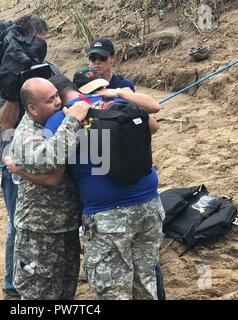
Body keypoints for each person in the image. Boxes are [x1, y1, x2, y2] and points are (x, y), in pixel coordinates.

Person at [45, 73, 164, 299]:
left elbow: (50, 165)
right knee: (145, 282)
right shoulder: (116, 102)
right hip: (150, 204)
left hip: (107, 215)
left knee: (113, 291)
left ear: (57, 98)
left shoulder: (59, 119)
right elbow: (152, 126)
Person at [0, 13, 62, 299]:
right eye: (38, 41)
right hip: (14, 158)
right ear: (25, 39)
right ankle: (13, 285)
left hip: (46, 153)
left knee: (49, 220)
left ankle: (47, 274)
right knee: (18, 223)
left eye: (44, 42)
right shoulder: (3, 73)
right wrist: (11, 88)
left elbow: (63, 106)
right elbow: (5, 122)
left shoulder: (50, 68)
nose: (41, 47)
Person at [87, 38, 167, 300]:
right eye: (92, 59)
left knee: (143, 262)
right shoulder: (87, 85)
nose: (96, 64)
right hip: (111, 165)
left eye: (101, 58)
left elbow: (152, 117)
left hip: (130, 158)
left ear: (112, 58)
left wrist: (119, 95)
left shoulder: (123, 85)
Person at [7, 77, 89, 300]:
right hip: (39, 232)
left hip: (66, 226)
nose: (58, 102)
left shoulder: (56, 122)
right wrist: (72, 121)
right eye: (49, 99)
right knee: (38, 294)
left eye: (56, 95)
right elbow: (49, 164)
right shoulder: (26, 134)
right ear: (32, 108)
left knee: (65, 290)